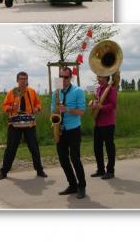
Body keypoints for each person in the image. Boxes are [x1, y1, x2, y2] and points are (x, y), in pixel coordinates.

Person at [0, 71, 47, 180]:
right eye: (21, 79)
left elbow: (38, 104)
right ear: (17, 80)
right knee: (11, 148)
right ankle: (4, 171)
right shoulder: (12, 92)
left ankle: (39, 170)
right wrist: (11, 108)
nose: (23, 81)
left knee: (34, 148)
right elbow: (5, 106)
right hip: (15, 124)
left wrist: (37, 108)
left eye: (25, 79)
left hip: (29, 124)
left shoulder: (32, 92)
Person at [51, 67, 87, 199]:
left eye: (66, 77)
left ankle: (81, 186)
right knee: (63, 160)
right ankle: (72, 185)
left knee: (75, 159)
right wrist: (55, 116)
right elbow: (53, 110)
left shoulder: (78, 91)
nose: (63, 80)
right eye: (61, 77)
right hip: (60, 129)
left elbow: (82, 111)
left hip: (74, 129)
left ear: (70, 78)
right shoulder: (56, 93)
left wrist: (67, 109)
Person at [90, 75, 117, 180]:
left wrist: (102, 107)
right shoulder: (98, 89)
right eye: (97, 77)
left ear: (106, 78)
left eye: (100, 77)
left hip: (108, 123)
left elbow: (113, 105)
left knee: (109, 147)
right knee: (97, 147)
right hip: (98, 123)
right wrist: (94, 104)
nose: (98, 79)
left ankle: (110, 171)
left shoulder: (112, 89)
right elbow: (97, 102)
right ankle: (100, 169)